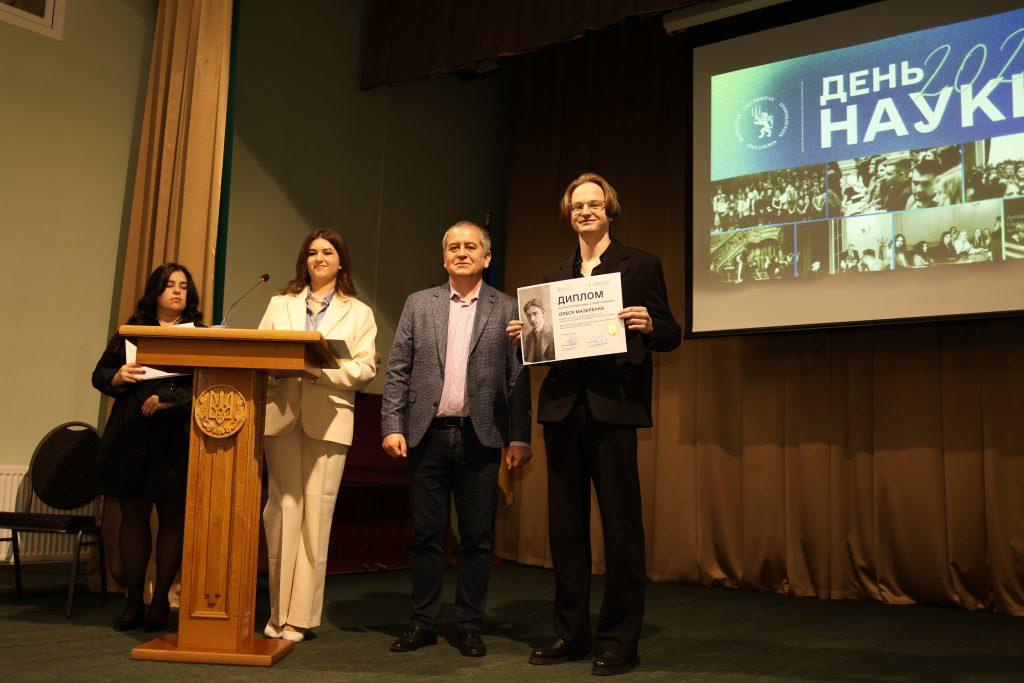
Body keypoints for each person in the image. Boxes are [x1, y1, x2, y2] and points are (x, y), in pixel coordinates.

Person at [507, 173, 680, 676]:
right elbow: (542, 349)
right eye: (578, 205)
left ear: (609, 211)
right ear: (569, 215)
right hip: (563, 409)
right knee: (566, 529)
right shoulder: (552, 277)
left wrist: (650, 324)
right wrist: (525, 336)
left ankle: (620, 640)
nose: (586, 211)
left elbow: (672, 332)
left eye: (594, 204)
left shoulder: (641, 265)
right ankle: (572, 633)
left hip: (614, 408)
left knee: (622, 528)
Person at [381, 220, 531, 658]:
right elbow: (398, 369)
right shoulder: (418, 304)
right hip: (425, 435)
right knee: (426, 535)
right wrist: (391, 424)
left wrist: (519, 438)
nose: (462, 253)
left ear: (487, 257)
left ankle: (468, 625)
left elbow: (518, 379)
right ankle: (423, 623)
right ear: (444, 258)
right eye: (453, 247)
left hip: (481, 438)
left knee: (477, 538)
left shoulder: (508, 308)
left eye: (471, 247)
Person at [258, 228, 377, 643]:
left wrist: (318, 368)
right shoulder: (280, 303)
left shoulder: (359, 312)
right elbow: (260, 355)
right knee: (281, 512)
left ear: (341, 262)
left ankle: (300, 617)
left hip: (329, 420)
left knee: (316, 518)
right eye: (312, 252)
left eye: (327, 252)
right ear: (304, 261)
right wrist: (278, 370)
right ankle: (277, 612)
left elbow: (365, 369)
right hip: (281, 416)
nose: (319, 258)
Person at [92, 263, 203, 632]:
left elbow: (207, 384)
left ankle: (160, 603)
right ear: (155, 291)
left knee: (172, 519)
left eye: (183, 286)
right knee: (134, 518)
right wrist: (117, 376)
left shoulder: (199, 335)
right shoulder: (133, 331)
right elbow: (99, 374)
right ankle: (133, 603)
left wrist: (171, 400)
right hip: (133, 435)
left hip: (177, 438)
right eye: (169, 285)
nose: (177, 291)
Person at [522, 298, 555, 363]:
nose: (532, 319)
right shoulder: (528, 337)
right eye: (528, 315)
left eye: (535, 314)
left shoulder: (554, 332)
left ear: (543, 313)